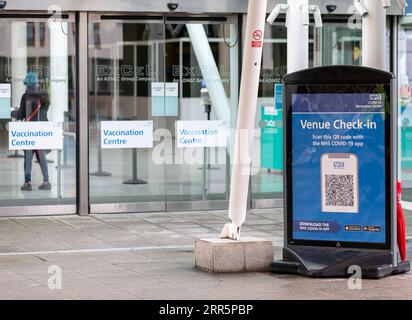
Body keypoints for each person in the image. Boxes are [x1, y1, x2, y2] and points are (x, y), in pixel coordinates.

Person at [15, 72, 51, 191]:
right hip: (42, 130)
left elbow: (21, 114)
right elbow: (44, 110)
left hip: (30, 130)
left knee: (28, 157)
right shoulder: (45, 95)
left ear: (27, 84)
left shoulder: (26, 96)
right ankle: (46, 181)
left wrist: (12, 112)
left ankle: (27, 183)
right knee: (42, 157)